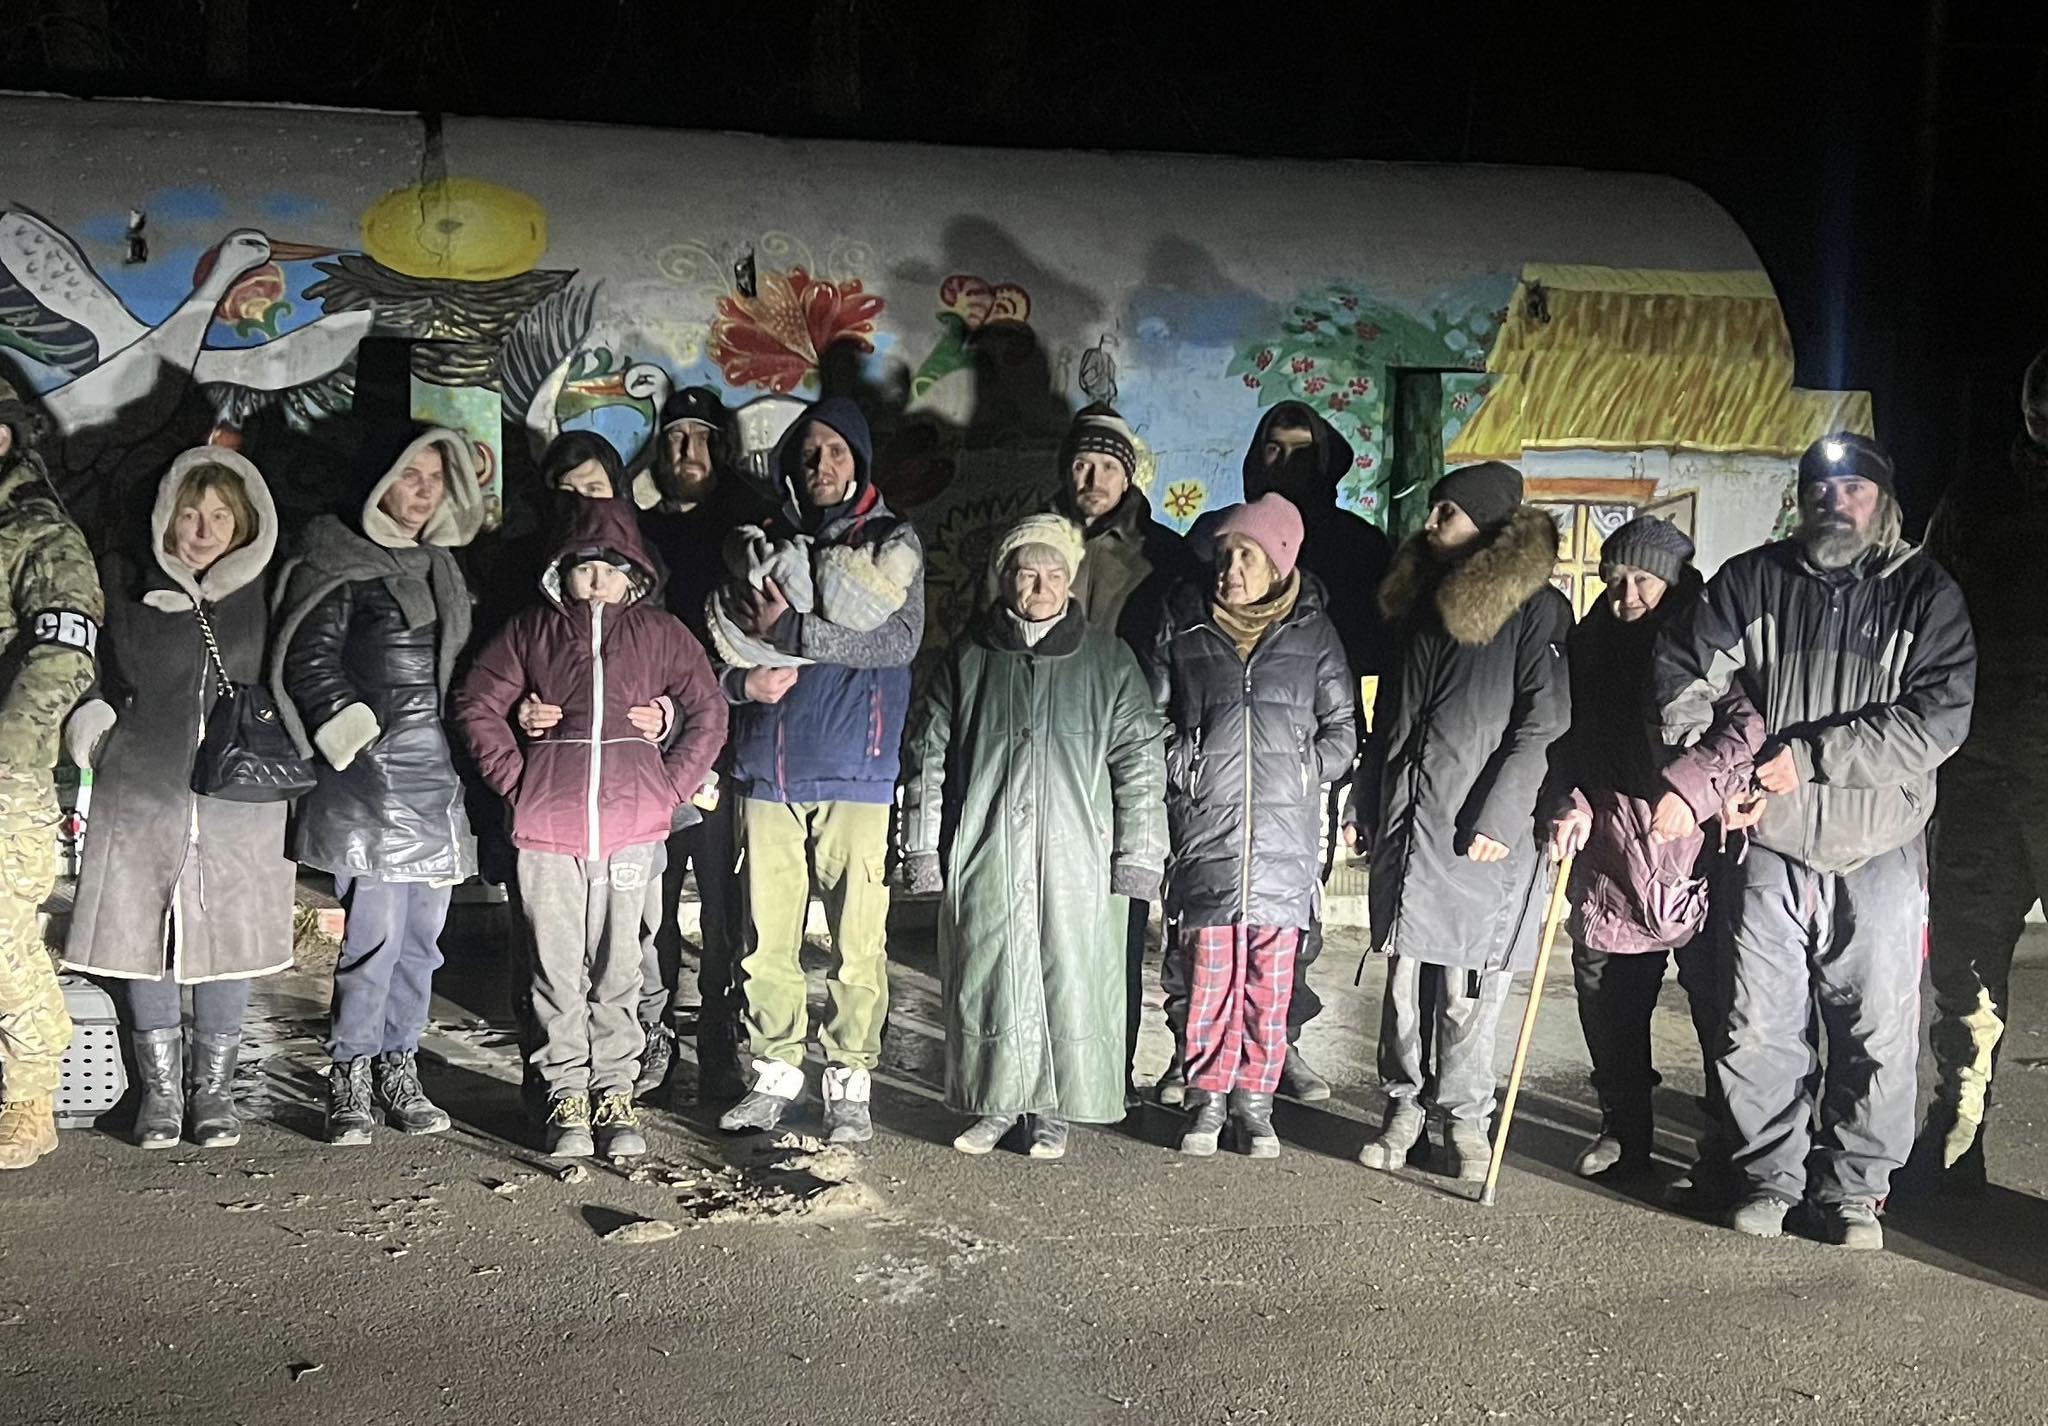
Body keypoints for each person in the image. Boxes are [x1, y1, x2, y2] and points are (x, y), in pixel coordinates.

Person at [1654, 431, 1975, 1248]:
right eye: (1820, 491)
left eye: (1854, 489)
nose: (1836, 503)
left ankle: (1854, 1193)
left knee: (1878, 1030)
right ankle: (1771, 1178)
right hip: (1769, 844)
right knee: (1756, 1026)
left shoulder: (1926, 595)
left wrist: (1811, 756)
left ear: (1884, 502)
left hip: (1881, 844)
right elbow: (1683, 681)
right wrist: (1716, 779)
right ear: (1800, 502)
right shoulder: (1749, 583)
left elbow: (1939, 718)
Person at [456, 498, 725, 1158]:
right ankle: (565, 1094)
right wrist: (518, 782)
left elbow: (708, 710)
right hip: (549, 829)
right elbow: (476, 704)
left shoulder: (662, 633)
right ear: (561, 571)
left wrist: (670, 788)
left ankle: (613, 1092)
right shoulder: (530, 631)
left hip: (634, 828)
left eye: (612, 567)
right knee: (554, 971)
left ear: (635, 573)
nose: (598, 580)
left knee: (622, 967)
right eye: (583, 568)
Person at [902, 514, 1165, 1158]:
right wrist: (921, 847)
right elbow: (926, 757)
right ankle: (996, 1101)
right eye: (1027, 572)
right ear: (1005, 579)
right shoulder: (969, 658)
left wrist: (1138, 854)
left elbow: (1140, 763)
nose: (1041, 586)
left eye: (1053, 573)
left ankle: (1052, 1108)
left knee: (1066, 977)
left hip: (1077, 857)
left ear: (1071, 579)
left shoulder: (1108, 660)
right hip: (987, 848)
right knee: (992, 972)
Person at [61, 447, 297, 1150]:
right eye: (190, 514)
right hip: (143, 785)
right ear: (166, 515)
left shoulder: (268, 591)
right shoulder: (125, 584)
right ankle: (160, 1094)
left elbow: (298, 667)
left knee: (229, 935)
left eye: (221, 516)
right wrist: (93, 712)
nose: (203, 530)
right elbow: (87, 656)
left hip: (240, 795)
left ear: (245, 522)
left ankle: (213, 1093)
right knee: (146, 932)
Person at [1346, 461, 1570, 1182]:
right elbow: (1388, 716)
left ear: (1490, 524)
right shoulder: (1418, 602)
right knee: (1406, 980)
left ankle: (1464, 1117)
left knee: (1467, 985)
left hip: (1477, 830)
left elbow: (1544, 721)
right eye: (1435, 507)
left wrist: (1501, 815)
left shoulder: (1534, 608)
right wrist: (1367, 798)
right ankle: (1403, 1107)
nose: (1433, 520)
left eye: (1449, 510)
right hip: (1411, 819)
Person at [714, 398, 923, 1143]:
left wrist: (793, 630)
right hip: (768, 768)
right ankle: (773, 1072)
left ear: (858, 460)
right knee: (766, 940)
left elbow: (896, 643)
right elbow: (718, 642)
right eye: (808, 452)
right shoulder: (761, 545)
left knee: (857, 941)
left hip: (855, 771)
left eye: (836, 450)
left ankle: (848, 1079)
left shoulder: (891, 544)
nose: (821, 464)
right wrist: (739, 683)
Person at [272, 425, 487, 1147]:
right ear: (379, 480)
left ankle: (400, 1066)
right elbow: (309, 659)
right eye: (409, 475)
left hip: (438, 786)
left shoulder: (444, 569)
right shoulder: (341, 562)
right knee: (373, 944)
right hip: (371, 785)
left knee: (423, 945)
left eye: (435, 479)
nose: (422, 492)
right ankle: (351, 1075)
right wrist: (356, 737)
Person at [1543, 516, 1764, 1182]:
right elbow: (1566, 741)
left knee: (1716, 1002)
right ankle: (1623, 1130)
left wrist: (1692, 790)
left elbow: (1747, 728)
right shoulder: (1588, 643)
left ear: (1671, 579)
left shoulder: (1707, 640)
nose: (1626, 594)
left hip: (1695, 848)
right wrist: (1567, 802)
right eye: (1614, 579)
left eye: (1642, 579)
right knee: (1608, 998)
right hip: (1611, 848)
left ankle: (1724, 1145)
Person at [1148, 494, 1354, 1158]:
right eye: (1224, 554)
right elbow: (1149, 720)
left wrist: (1300, 769)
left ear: (1278, 564)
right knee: (1207, 981)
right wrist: (1187, 764)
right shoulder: (1184, 626)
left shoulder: (1314, 634)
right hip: (1207, 833)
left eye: (1246, 556)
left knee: (1270, 985)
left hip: (1283, 844)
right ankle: (1207, 1101)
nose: (1229, 568)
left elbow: (1342, 730)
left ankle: (1255, 1105)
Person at [1214, 401, 1392, 1104]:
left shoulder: (1357, 547)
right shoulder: (1226, 537)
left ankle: (1277, 1041)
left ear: (1325, 462)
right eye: (1272, 449)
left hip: (1308, 753)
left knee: (1294, 908)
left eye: (1299, 452)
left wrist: (1341, 759)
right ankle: (1203, 1048)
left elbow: (1379, 656)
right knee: (1204, 907)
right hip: (1222, 756)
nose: (1283, 464)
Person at [1909, 351, 2048, 1194]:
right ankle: (1956, 1137)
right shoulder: (1975, 504)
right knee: (1964, 975)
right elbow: (1926, 621)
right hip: (1983, 778)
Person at [1047, 402, 1196, 1105]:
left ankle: (1111, 1072)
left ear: (1128, 476)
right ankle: (1041, 1070)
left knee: (1119, 923)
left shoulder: (1165, 558)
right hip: (1044, 755)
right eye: (1082, 464)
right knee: (1044, 922)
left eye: (1108, 466)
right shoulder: (1035, 543)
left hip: (1121, 759)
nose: (1093, 479)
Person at [633, 388, 763, 1100]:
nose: (686, 453)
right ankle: (655, 1038)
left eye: (701, 439)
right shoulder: (642, 531)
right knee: (652, 898)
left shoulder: (744, 529)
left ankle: (720, 1039)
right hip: (649, 747)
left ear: (722, 447)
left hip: (724, 746)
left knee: (722, 902)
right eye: (676, 439)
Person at [0, 378, 102, 1171]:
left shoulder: (38, 532)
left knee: (1, 939)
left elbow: (65, 652)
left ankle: (29, 1098)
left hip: (7, 772)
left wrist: (9, 749)